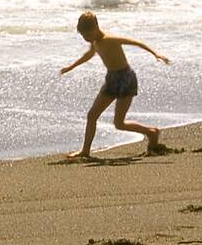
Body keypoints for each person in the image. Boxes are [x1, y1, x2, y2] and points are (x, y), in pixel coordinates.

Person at [60, 10, 171, 157]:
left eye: (87, 34)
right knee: (92, 115)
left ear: (96, 28)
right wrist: (71, 67)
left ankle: (151, 132)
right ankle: (85, 151)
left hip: (126, 79)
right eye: (82, 35)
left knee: (119, 123)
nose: (85, 38)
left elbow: (136, 43)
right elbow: (89, 55)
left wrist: (155, 53)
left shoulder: (109, 39)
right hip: (111, 79)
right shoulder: (95, 41)